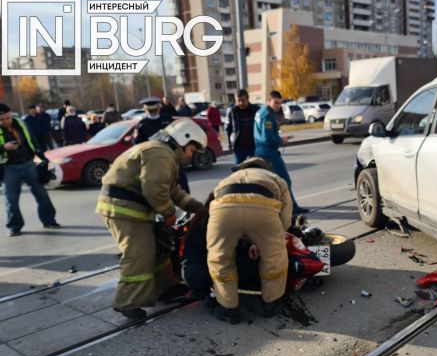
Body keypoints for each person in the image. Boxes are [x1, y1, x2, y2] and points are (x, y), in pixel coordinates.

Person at [96, 118, 207, 319]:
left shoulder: (163, 154)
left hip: (128, 208)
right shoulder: (160, 154)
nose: (191, 156)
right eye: (192, 150)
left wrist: (201, 209)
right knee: (138, 254)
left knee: (159, 250)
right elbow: (154, 189)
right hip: (124, 209)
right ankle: (126, 302)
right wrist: (168, 213)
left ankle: (165, 289)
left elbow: (174, 192)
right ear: (183, 140)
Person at [206, 157, 292, 324]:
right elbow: (286, 216)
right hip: (263, 210)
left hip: (223, 210)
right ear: (265, 167)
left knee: (220, 259)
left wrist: (244, 237)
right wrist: (274, 237)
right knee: (274, 259)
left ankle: (229, 309)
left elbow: (219, 199)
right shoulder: (275, 178)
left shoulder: (227, 179)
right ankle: (271, 304)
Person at [0, 103, 60, 237]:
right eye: (1, 120)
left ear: (10, 114)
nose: (5, 121)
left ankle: (49, 220)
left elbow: (31, 140)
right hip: (9, 168)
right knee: (11, 200)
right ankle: (14, 226)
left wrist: (42, 158)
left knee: (41, 193)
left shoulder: (21, 123)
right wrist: (4, 147)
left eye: (7, 118)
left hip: (29, 163)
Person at [254, 91, 308, 214]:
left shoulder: (261, 112)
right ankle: (292, 208)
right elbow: (267, 139)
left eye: (280, 103)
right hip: (268, 152)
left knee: (270, 182)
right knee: (284, 180)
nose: (278, 105)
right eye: (275, 102)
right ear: (269, 101)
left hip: (261, 151)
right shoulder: (267, 115)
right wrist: (281, 140)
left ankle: (276, 207)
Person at [226, 89, 260, 165]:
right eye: (238, 101)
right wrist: (230, 144)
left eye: (243, 100)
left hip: (253, 146)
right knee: (238, 170)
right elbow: (228, 129)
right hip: (239, 148)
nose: (241, 103)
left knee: (255, 169)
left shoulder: (256, 109)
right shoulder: (232, 111)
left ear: (248, 99)